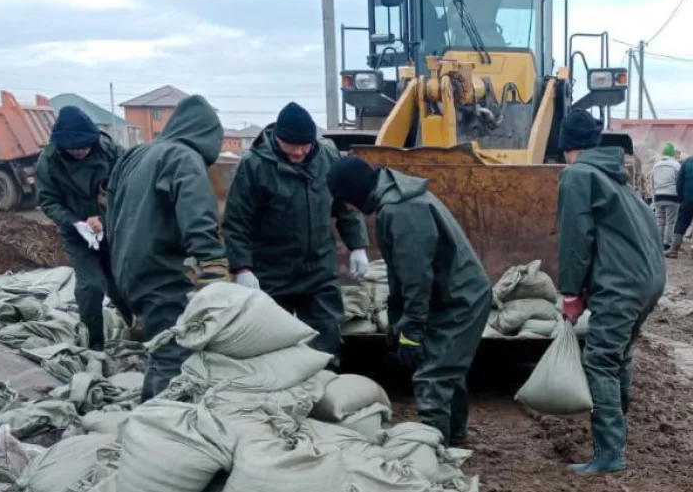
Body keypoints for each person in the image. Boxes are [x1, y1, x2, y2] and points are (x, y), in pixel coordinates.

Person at [327, 155, 491, 447]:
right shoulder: (393, 199)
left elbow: (417, 276)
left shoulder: (401, 209)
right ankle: (453, 439)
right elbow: (400, 271)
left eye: (346, 202)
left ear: (354, 193)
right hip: (449, 296)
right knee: (446, 369)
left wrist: (413, 329)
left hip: (460, 300)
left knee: (434, 376)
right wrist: (397, 319)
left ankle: (433, 453)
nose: (350, 210)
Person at [554, 109, 666, 475]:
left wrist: (571, 292)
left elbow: (575, 239)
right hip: (646, 280)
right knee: (618, 355)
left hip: (621, 284)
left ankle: (609, 454)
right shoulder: (615, 180)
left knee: (600, 360)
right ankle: (617, 430)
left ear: (567, 145)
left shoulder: (577, 175)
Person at [222, 102, 371, 368]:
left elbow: (345, 206)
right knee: (270, 346)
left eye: (305, 145)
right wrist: (241, 268)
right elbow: (237, 222)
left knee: (325, 341)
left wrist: (357, 245)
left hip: (318, 271)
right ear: (278, 139)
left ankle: (323, 396)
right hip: (271, 272)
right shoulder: (253, 166)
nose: (300, 152)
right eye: (293, 146)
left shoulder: (327, 159)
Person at [106, 94, 229, 399]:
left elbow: (111, 207)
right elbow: (197, 212)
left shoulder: (136, 155)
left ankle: (149, 413)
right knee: (174, 353)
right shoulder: (184, 158)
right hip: (161, 272)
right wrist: (213, 262)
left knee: (161, 348)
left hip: (128, 268)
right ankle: (161, 431)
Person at [36, 105, 133, 351]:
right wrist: (75, 223)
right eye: (73, 148)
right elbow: (49, 201)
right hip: (77, 234)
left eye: (84, 146)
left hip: (112, 229)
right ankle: (94, 344)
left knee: (120, 283)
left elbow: (130, 188)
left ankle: (136, 326)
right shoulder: (49, 161)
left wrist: (105, 219)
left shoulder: (110, 151)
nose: (80, 151)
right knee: (90, 286)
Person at [649, 143, 680, 251]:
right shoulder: (676, 165)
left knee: (660, 221)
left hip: (658, 196)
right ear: (672, 153)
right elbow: (679, 182)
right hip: (672, 197)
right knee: (670, 222)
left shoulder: (656, 166)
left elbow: (651, 183)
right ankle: (667, 244)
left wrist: (653, 197)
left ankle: (658, 243)